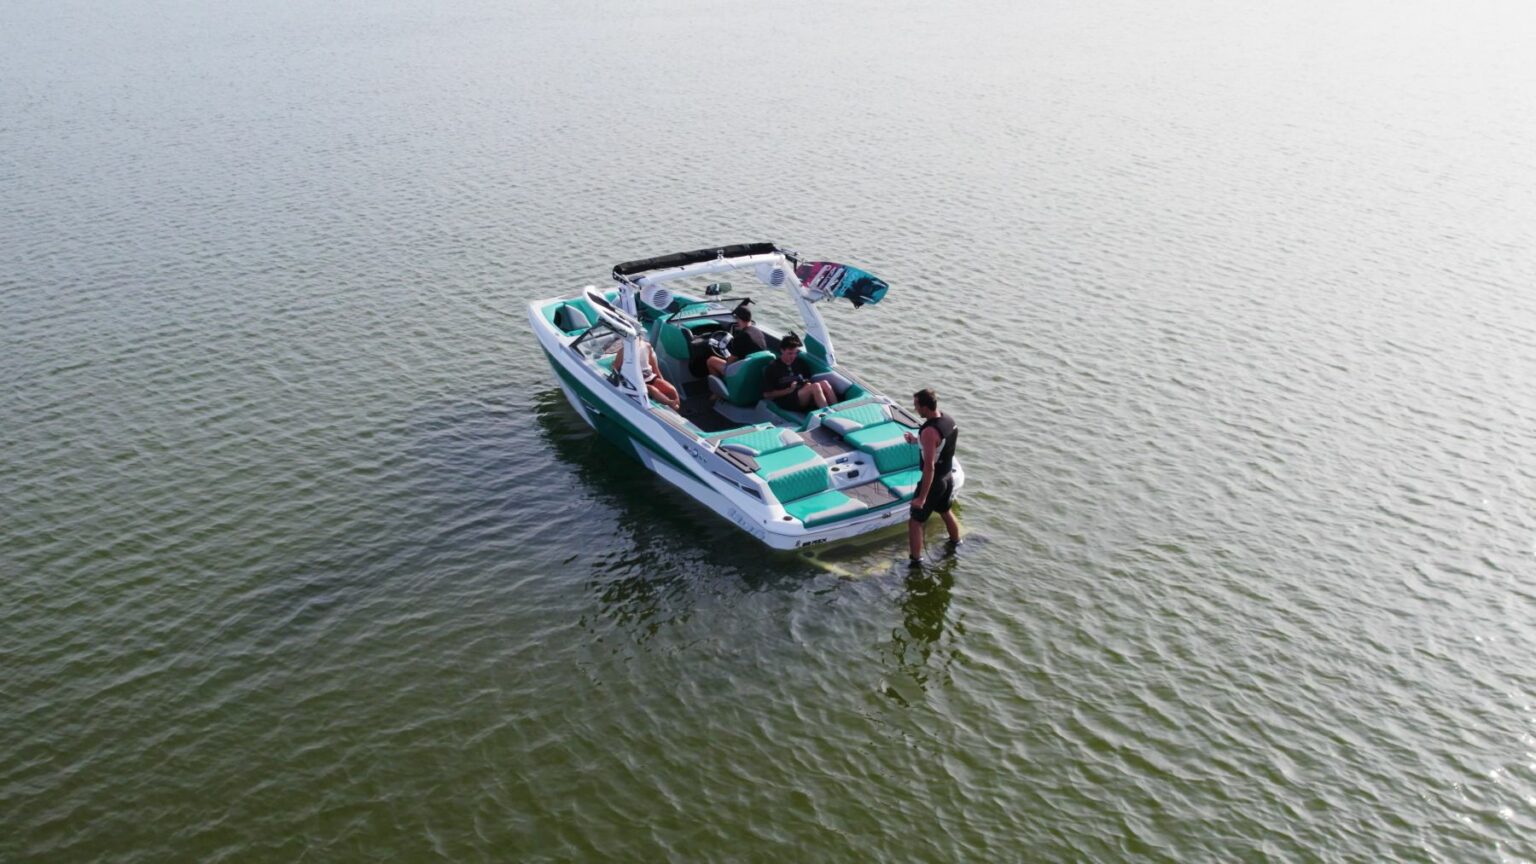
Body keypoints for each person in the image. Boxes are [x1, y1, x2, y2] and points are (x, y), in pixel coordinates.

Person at [905, 388, 960, 563]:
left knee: (915, 521)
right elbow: (939, 446)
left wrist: (922, 498)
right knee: (945, 511)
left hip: (934, 482)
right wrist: (916, 440)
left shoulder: (929, 432)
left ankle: (915, 561)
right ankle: (956, 542)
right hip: (947, 477)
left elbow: (929, 467)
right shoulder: (948, 420)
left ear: (925, 407)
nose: (915, 409)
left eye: (916, 405)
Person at [762, 333, 835, 411]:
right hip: (786, 399)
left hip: (801, 393)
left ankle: (836, 410)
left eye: (795, 353)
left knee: (825, 383)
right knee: (815, 386)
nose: (793, 356)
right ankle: (827, 415)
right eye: (790, 353)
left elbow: (807, 379)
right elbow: (767, 395)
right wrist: (789, 390)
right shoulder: (772, 367)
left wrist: (806, 383)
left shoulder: (800, 363)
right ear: (782, 350)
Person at [613, 336, 682, 411]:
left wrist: (661, 381)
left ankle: (676, 411)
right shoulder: (623, 351)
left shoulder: (647, 346)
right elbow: (615, 369)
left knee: (672, 390)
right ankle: (670, 402)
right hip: (637, 382)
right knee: (651, 389)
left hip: (650, 377)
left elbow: (654, 367)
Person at [705, 304, 768, 377]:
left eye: (736, 318)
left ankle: (724, 384)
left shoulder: (741, 337)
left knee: (711, 360)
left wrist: (726, 358)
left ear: (739, 319)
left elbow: (730, 362)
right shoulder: (758, 332)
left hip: (743, 372)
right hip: (756, 369)